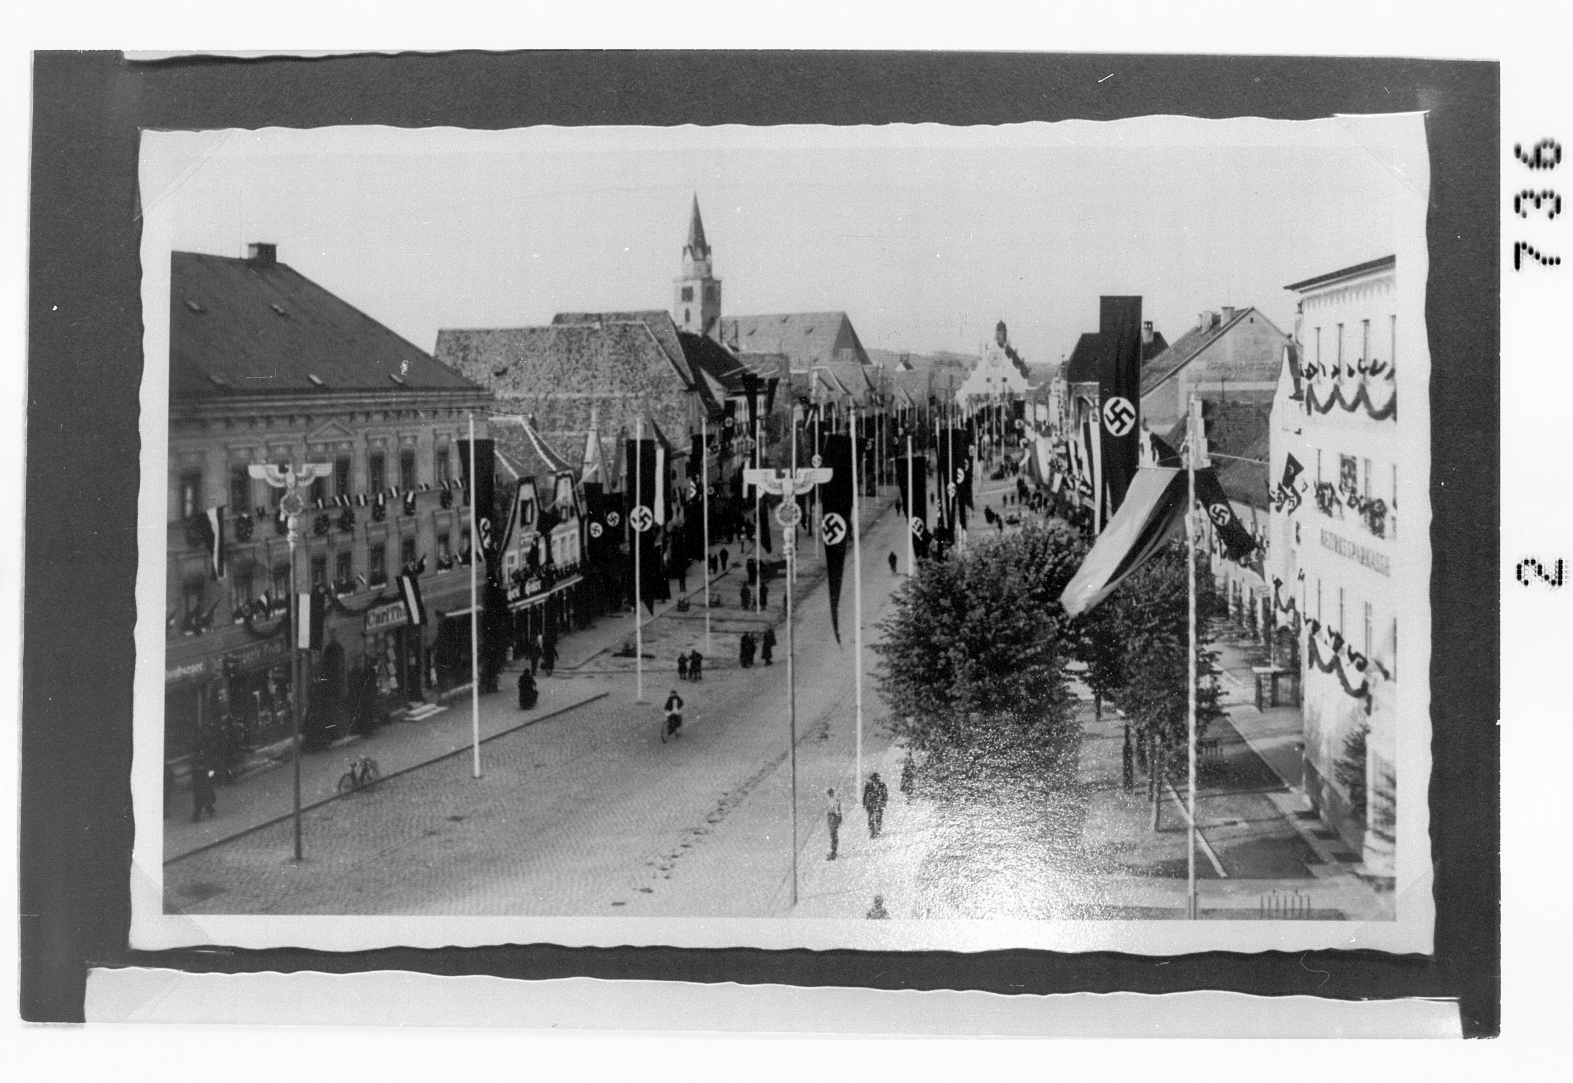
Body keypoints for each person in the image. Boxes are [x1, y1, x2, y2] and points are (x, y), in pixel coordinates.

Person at [189, 752, 217, 823]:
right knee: (202, 800)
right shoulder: (198, 769)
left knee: (203, 799)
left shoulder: (198, 768)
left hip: (202, 785)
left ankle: (209, 809)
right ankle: (198, 816)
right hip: (202, 785)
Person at [862, 771, 889, 837]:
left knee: (878, 818)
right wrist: (864, 803)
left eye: (877, 780)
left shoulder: (882, 786)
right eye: (874, 780)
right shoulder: (868, 786)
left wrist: (884, 802)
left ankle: (877, 830)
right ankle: (872, 832)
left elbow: (885, 795)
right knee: (871, 818)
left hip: (879, 804)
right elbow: (865, 795)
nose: (876, 782)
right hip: (871, 804)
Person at [825, 787, 843, 860]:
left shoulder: (833, 801)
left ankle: (833, 853)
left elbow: (836, 810)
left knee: (833, 835)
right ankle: (833, 851)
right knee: (833, 835)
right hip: (832, 817)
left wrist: (837, 818)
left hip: (832, 817)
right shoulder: (834, 800)